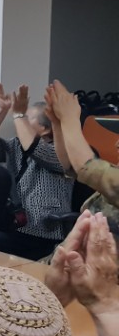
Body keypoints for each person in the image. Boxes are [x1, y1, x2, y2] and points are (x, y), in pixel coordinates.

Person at [0, 81, 73, 260]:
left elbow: (37, 150)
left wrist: (18, 114)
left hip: (43, 229)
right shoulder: (17, 145)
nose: (20, 122)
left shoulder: (62, 151)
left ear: (45, 129)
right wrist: (2, 110)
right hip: (13, 221)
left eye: (27, 118)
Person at [45, 79, 119, 232]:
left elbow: (88, 168)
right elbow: (71, 165)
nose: (117, 144)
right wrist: (58, 123)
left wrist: (69, 118)